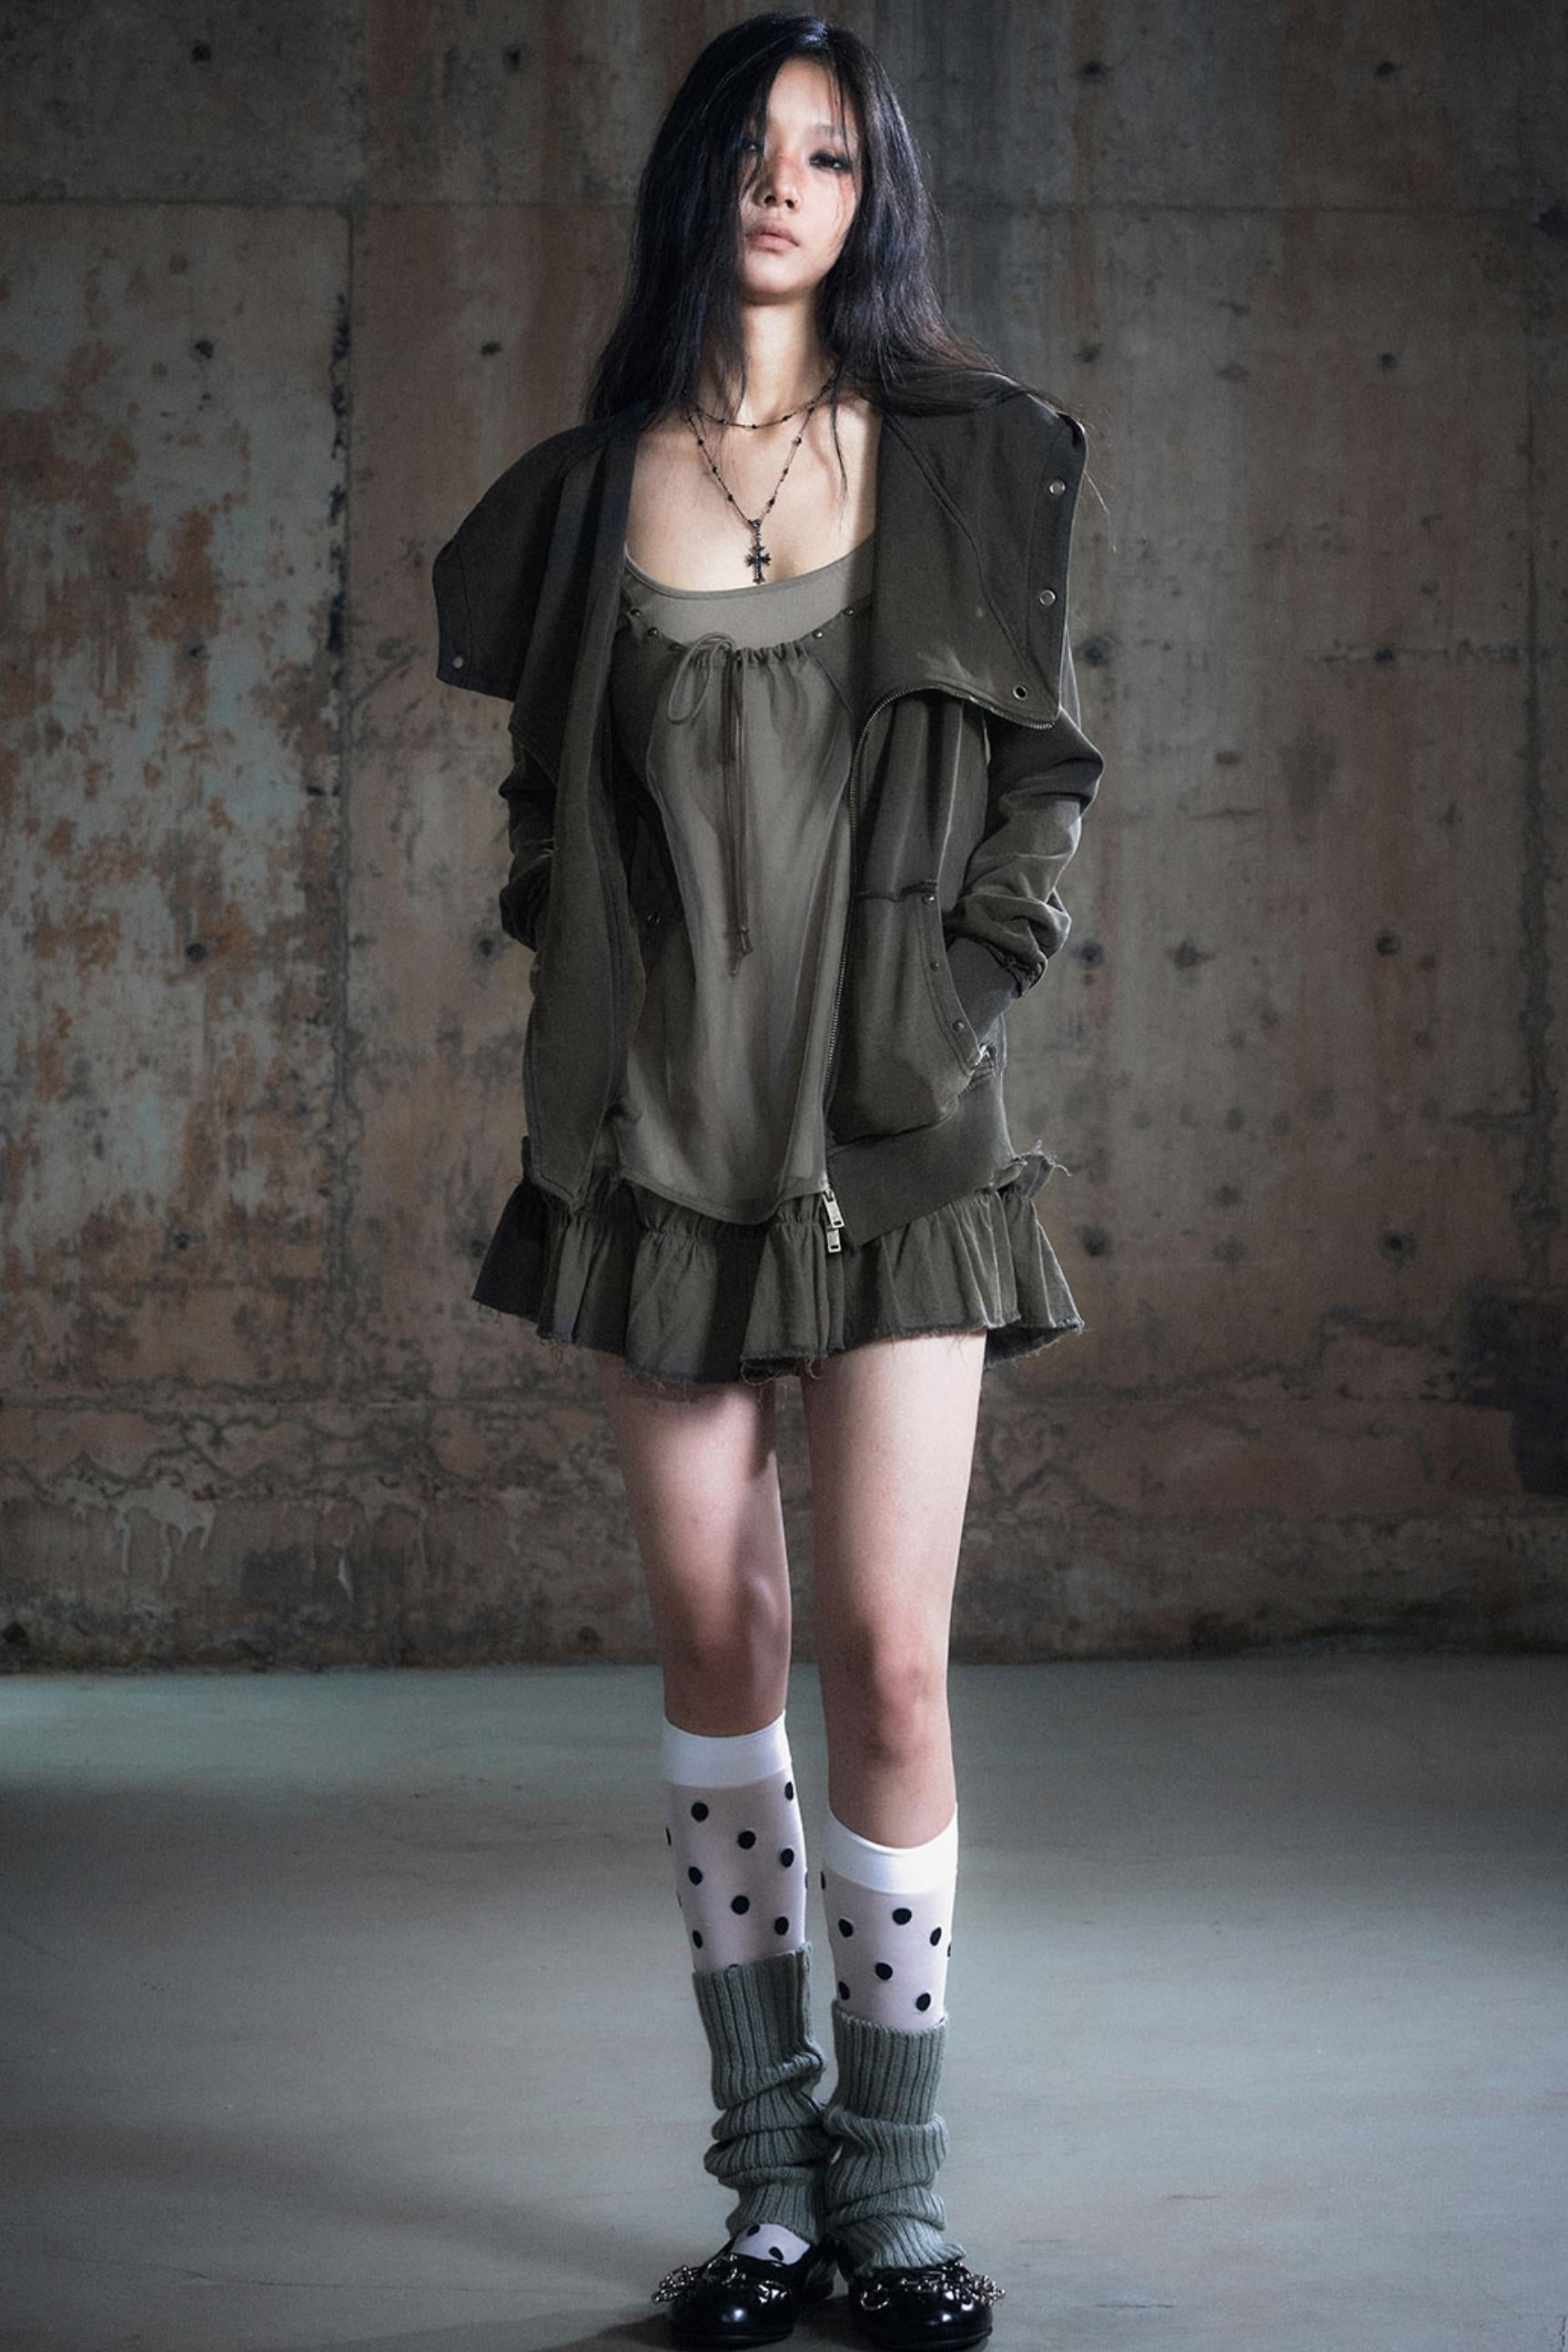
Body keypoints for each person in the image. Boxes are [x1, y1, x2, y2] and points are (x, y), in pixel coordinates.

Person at [431, 16, 1105, 2346]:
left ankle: (894, 2193)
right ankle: (769, 2189)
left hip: (894, 1139)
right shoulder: (583, 494)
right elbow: (547, 807)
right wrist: (597, 994)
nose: (783, 184)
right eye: (750, 145)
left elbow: (1041, 774)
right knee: (721, 1653)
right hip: (657, 1145)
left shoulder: (968, 462)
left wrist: (960, 990)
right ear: (693, 180)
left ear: (868, 194)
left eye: (828, 153)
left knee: (888, 1656)